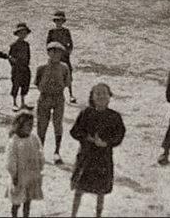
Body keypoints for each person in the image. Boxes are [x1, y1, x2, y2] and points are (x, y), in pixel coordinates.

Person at [70, 83, 127, 218]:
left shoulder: (114, 117)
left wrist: (106, 143)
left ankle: (98, 215)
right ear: (92, 97)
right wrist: (87, 138)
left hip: (103, 158)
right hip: (86, 156)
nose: (101, 96)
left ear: (109, 97)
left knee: (101, 191)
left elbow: (119, 136)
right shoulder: (86, 113)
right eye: (98, 93)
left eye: (104, 93)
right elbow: (74, 131)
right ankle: (73, 214)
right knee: (79, 188)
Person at [34, 41, 71, 164]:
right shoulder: (41, 68)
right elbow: (37, 82)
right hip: (44, 98)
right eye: (52, 52)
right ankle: (40, 151)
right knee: (41, 125)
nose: (55, 55)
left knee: (57, 124)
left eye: (58, 52)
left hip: (58, 98)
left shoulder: (64, 68)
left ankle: (57, 152)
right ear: (48, 53)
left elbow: (67, 82)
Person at [5, 110, 44, 218]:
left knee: (28, 200)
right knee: (16, 201)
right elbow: (10, 160)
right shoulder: (14, 141)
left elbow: (39, 151)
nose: (30, 127)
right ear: (20, 125)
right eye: (28, 125)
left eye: (32, 125)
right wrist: (14, 175)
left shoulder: (34, 138)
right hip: (19, 176)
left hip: (31, 174)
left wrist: (40, 165)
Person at [47, 11, 78, 104]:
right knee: (54, 75)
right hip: (55, 57)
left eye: (60, 21)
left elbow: (70, 43)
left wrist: (68, 51)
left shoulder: (66, 31)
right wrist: (51, 54)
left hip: (65, 56)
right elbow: (48, 44)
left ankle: (71, 94)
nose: (58, 22)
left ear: (63, 21)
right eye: (57, 20)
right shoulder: (51, 32)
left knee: (68, 74)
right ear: (55, 21)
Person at [9, 23, 33, 111]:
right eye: (21, 33)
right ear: (17, 34)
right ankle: (14, 103)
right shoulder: (14, 45)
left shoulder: (26, 44)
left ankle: (23, 103)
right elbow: (10, 57)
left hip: (25, 67)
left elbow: (28, 55)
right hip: (17, 68)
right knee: (15, 85)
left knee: (25, 84)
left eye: (24, 33)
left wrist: (27, 64)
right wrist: (14, 65)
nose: (23, 35)